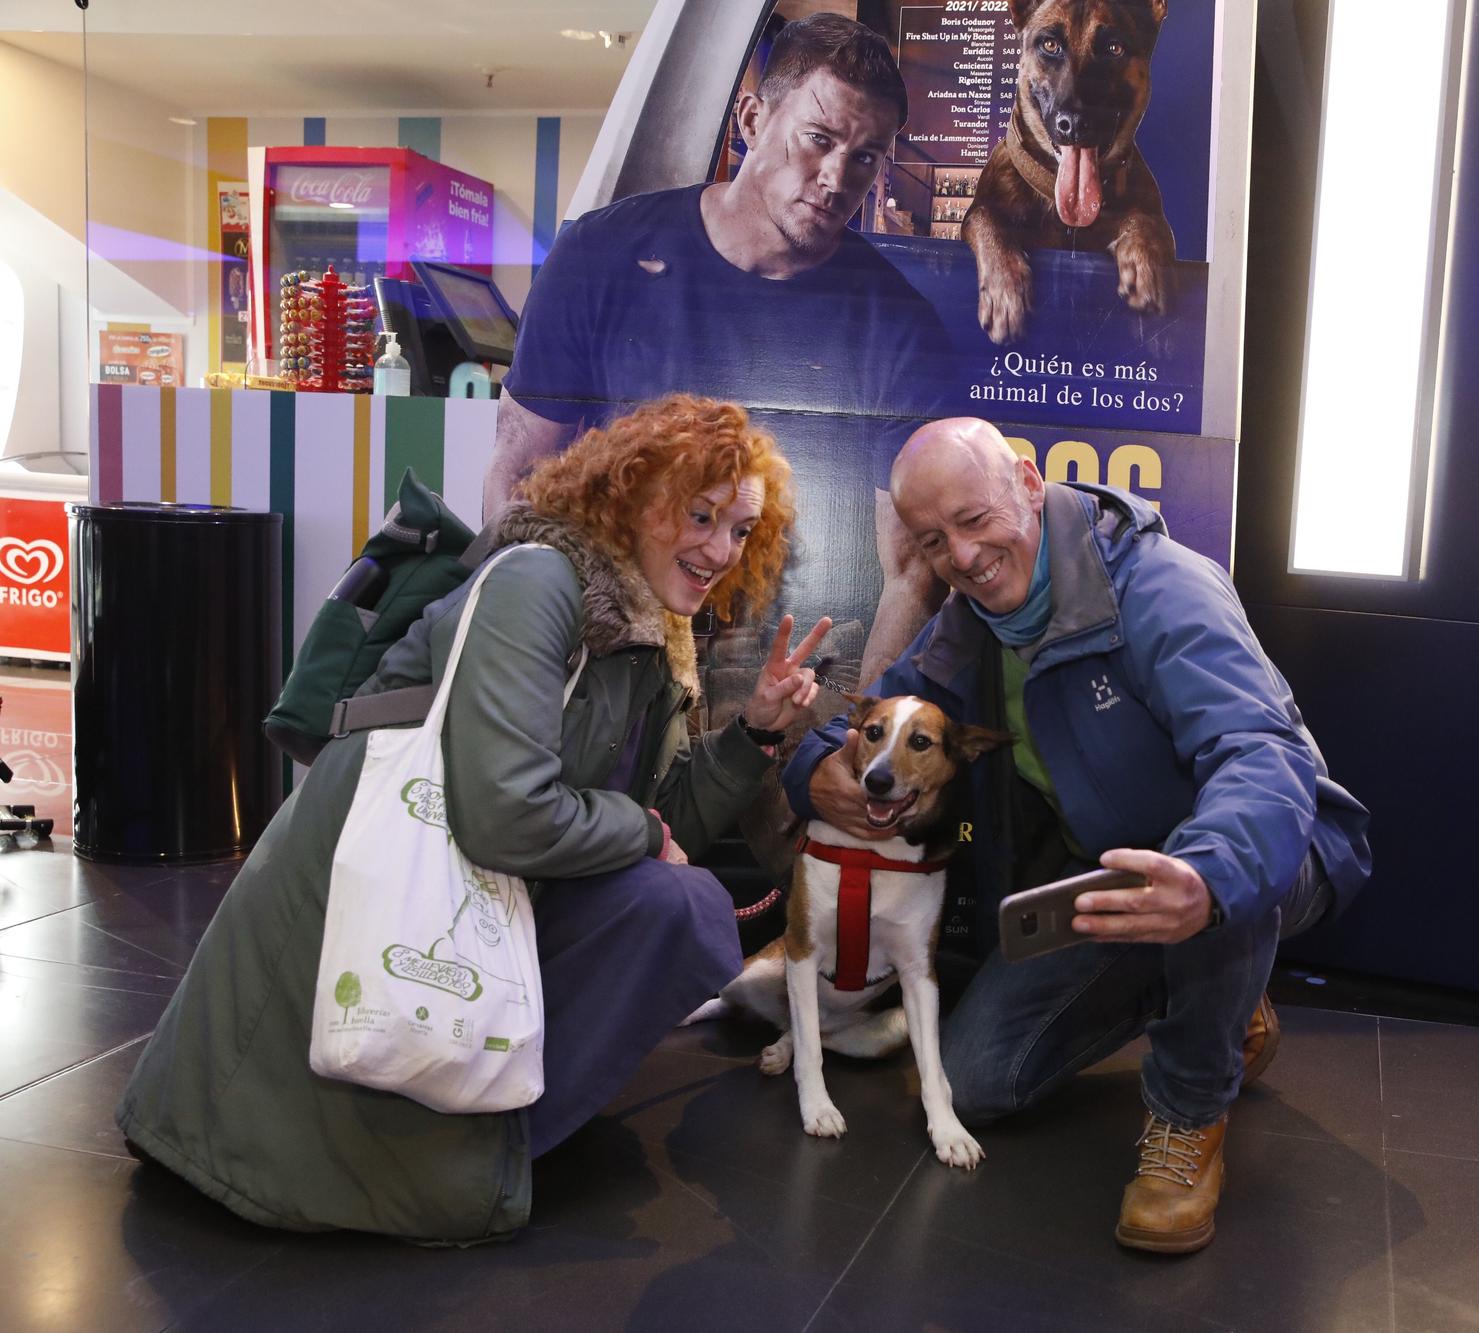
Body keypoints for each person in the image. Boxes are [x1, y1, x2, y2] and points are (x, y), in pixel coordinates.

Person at [118, 395, 833, 1242]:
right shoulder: (538, 579)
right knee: (677, 898)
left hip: (477, 886)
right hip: (370, 888)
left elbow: (662, 814)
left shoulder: (648, 633)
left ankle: (484, 1127)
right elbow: (510, 814)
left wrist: (753, 729)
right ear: (632, 495)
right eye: (701, 514)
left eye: (741, 529)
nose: (721, 548)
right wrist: (642, 832)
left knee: (686, 908)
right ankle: (447, 1144)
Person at [782, 417, 1372, 1254]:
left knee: (1212, 889)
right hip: (1108, 877)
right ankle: (1225, 1003)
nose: (963, 555)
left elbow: (1260, 754)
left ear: (1027, 481)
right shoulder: (973, 618)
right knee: (977, 1082)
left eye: (974, 518)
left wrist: (1207, 878)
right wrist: (808, 766)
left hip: (1271, 845)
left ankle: (1189, 1111)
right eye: (932, 540)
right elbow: (881, 710)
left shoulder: (1163, 587)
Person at [483, 11, 951, 685]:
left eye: (866, 157)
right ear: (753, 120)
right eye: (817, 139)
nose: (836, 178)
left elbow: (909, 572)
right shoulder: (599, 254)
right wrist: (526, 650)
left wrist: (855, 734)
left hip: (804, 660)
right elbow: (517, 474)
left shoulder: (900, 325)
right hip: (612, 635)